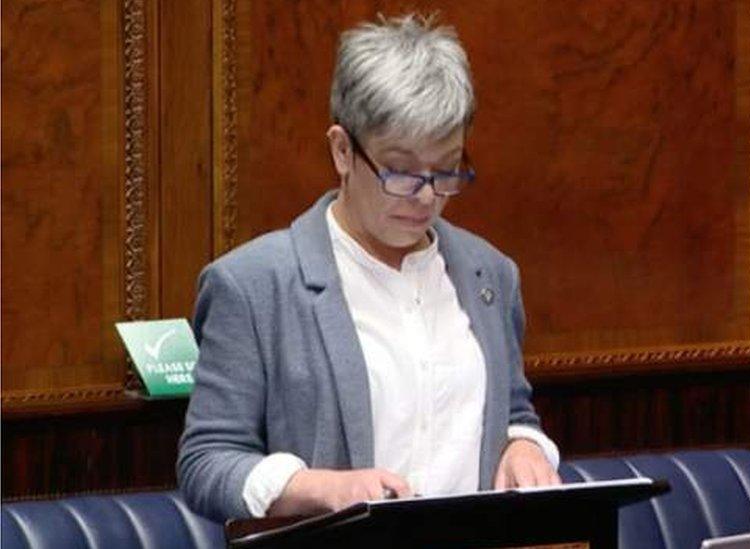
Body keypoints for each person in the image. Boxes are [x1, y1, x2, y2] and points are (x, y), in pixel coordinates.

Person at [178, 13, 561, 522]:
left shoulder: (489, 274)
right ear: (342, 150)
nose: (426, 195)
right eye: (401, 171)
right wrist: (318, 487)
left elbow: (512, 413)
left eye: (445, 169)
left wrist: (524, 447)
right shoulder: (253, 285)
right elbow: (206, 463)